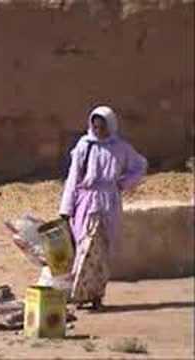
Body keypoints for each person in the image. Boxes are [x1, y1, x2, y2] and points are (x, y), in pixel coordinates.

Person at [60, 106, 147, 310]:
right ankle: (80, 294)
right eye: (95, 126)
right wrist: (66, 208)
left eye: (102, 127)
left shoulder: (121, 148)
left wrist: (123, 184)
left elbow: (140, 165)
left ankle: (97, 295)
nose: (98, 130)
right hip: (86, 202)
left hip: (109, 203)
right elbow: (73, 178)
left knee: (102, 253)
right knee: (85, 248)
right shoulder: (84, 145)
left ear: (111, 126)